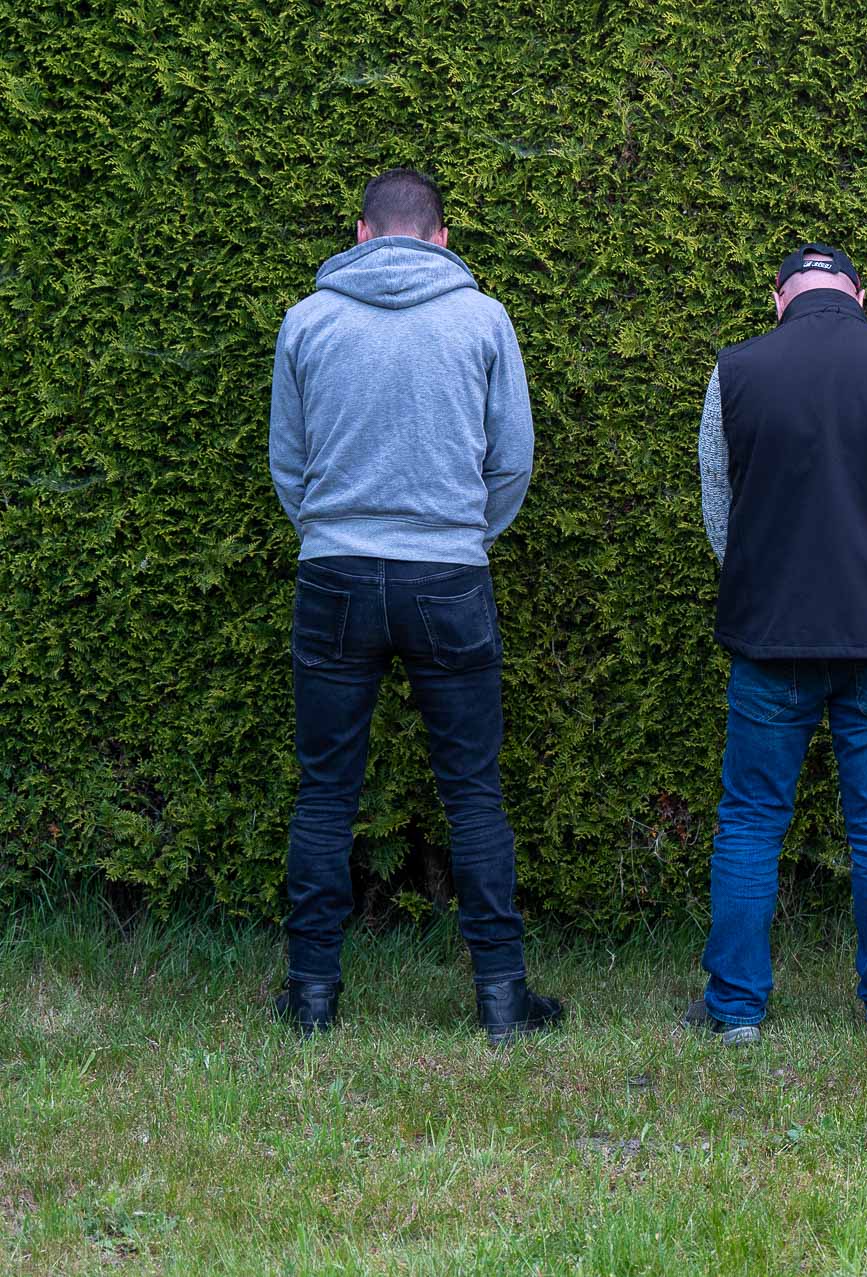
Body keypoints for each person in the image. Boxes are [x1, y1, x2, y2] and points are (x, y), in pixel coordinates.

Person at [267, 167, 563, 1043]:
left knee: (326, 792)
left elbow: (290, 463)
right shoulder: (484, 318)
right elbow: (512, 458)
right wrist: (462, 532)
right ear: (443, 238)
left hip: (335, 571)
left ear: (360, 233)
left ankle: (311, 997)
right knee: (472, 791)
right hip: (449, 576)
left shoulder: (307, 320)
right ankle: (502, 999)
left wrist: (333, 529)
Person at [690, 244, 867, 1045]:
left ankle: (734, 1010)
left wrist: (762, 589)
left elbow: (720, 511)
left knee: (750, 822)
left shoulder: (734, 371)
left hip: (770, 639)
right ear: (860, 294)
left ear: (777, 297)